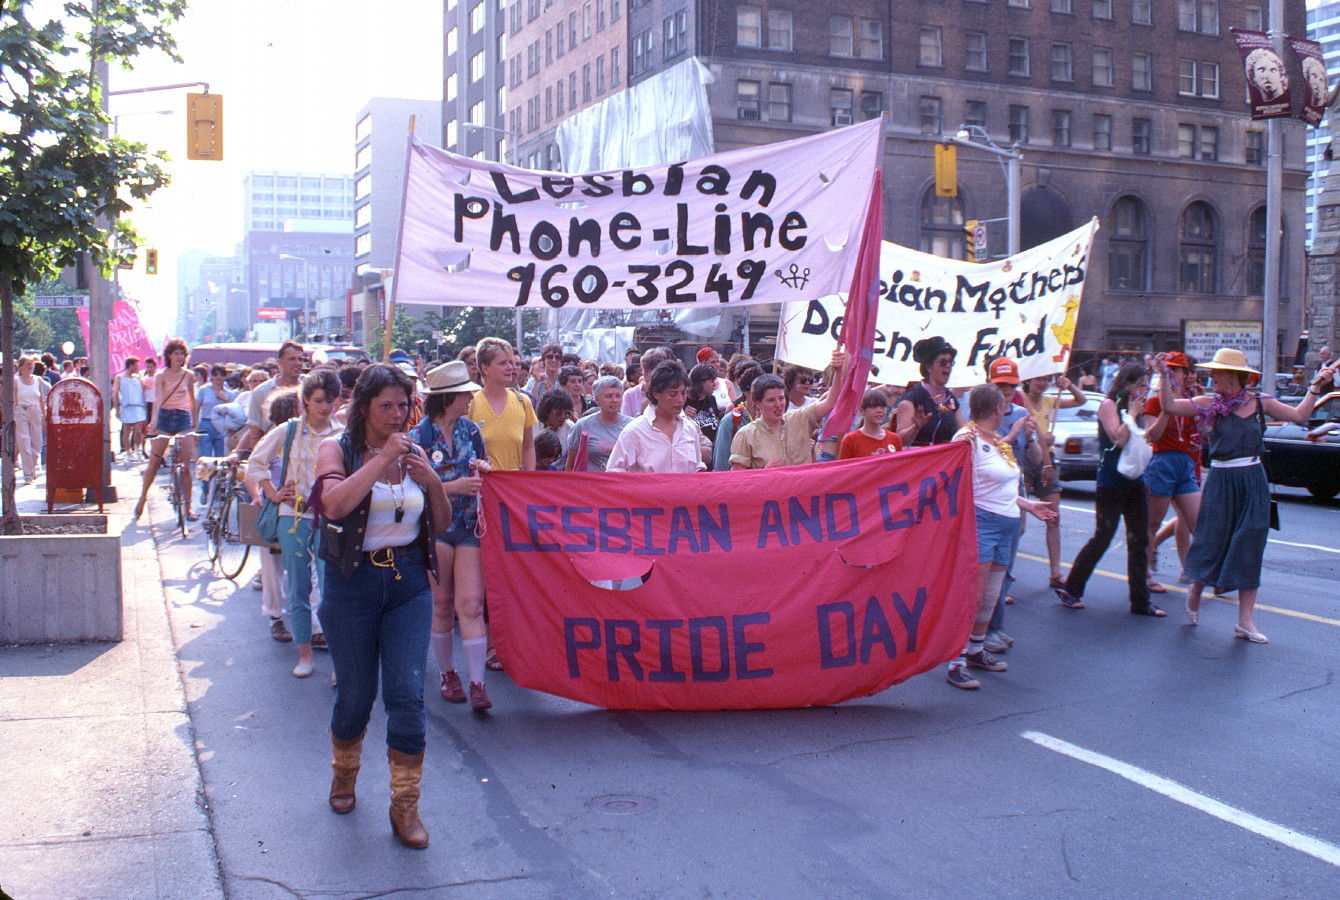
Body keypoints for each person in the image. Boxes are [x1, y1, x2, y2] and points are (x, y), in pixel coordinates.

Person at [312, 363, 450, 849]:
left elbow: (441, 521)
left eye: (403, 406)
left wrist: (432, 481)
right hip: (352, 584)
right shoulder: (337, 448)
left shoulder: (414, 451)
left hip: (408, 583)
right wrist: (381, 459)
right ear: (365, 409)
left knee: (407, 695)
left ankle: (405, 805)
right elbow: (333, 505)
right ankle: (344, 774)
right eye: (385, 406)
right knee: (355, 696)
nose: (396, 416)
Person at [1158, 349, 1336, 642]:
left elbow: (1300, 415)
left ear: (1233, 376)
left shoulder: (1260, 402)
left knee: (1250, 543)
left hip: (1253, 479)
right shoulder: (1208, 403)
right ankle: (1196, 589)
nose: (1211, 376)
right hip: (1220, 480)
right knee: (1211, 539)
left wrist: (1315, 388)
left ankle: (1245, 622)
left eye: (1216, 372)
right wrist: (1162, 375)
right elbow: (1168, 405)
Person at [946, 385, 1057, 690]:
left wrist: (1029, 505)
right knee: (976, 595)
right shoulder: (966, 439)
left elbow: (1004, 488)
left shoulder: (997, 441)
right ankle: (955, 661)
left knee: (992, 595)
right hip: (982, 524)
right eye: (1004, 404)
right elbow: (956, 482)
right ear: (996, 409)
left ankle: (976, 650)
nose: (1008, 407)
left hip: (1006, 524)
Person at [247, 370, 341, 678]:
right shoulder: (289, 431)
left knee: (332, 590)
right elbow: (256, 462)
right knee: (299, 587)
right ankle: (304, 653)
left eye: (330, 400)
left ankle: (340, 663)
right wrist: (273, 493)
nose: (324, 407)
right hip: (294, 517)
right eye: (318, 400)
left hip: (331, 518)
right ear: (305, 401)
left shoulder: (341, 432)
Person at [410, 361, 493, 711]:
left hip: (470, 525)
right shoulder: (419, 438)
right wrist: (454, 486)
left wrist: (483, 471)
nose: (470, 400)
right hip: (436, 527)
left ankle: (477, 683)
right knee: (442, 605)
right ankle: (448, 674)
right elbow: (412, 489)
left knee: (471, 604)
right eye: (464, 395)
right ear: (448, 398)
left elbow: (484, 466)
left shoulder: (471, 431)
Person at [1054, 362, 1165, 616]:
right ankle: (1072, 589)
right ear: (1127, 383)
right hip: (1111, 481)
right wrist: (1133, 415)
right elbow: (1118, 438)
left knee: (1139, 539)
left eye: (1146, 385)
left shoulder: (1139, 407)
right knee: (1103, 536)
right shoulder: (1109, 405)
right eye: (1140, 384)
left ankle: (1140, 601)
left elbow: (1149, 437)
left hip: (1135, 479)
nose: (1143, 389)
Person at [1140, 352, 1202, 593]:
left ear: (1185, 374)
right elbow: (1151, 436)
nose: (1173, 375)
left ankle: (1200, 571)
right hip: (1162, 462)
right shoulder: (1155, 402)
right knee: (1152, 523)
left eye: (1176, 371)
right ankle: (1144, 573)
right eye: (1168, 371)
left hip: (1185, 462)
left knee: (1198, 523)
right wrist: (1168, 408)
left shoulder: (1190, 400)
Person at [1019, 373, 1087, 587]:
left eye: (1046, 380)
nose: (1042, 383)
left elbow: (1080, 400)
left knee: (1053, 517)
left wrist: (1069, 385)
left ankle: (1056, 573)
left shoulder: (1049, 399)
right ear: (1028, 380)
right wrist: (1042, 440)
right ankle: (1005, 572)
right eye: (1037, 379)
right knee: (1017, 522)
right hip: (1026, 458)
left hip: (1047, 459)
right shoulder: (1020, 398)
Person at [729, 351, 846, 469]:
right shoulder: (745, 435)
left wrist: (838, 371)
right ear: (757, 403)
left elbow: (831, 402)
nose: (778, 405)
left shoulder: (800, 418)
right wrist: (765, 472)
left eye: (781, 398)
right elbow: (740, 480)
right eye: (771, 400)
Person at [134, 339, 199, 522]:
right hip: (164, 417)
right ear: (169, 355)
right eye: (176, 353)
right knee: (154, 462)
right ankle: (142, 498)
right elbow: (158, 399)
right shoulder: (161, 375)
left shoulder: (189, 375)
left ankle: (188, 506)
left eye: (182, 354)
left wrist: (194, 424)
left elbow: (192, 401)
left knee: (186, 466)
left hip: (183, 418)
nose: (179, 357)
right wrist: (154, 421)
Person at [607, 361, 711, 473]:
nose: (680, 400)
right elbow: (615, 473)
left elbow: (697, 468)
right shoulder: (635, 431)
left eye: (683, 393)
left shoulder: (690, 428)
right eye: (673, 394)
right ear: (656, 394)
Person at [468, 337, 536, 472]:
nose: (510, 367)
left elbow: (528, 447)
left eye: (511, 362)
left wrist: (529, 480)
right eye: (503, 363)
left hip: (514, 486)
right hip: (482, 487)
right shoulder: (470, 404)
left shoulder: (523, 401)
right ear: (485, 368)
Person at [235, 340, 305, 455]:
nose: (297, 363)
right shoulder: (261, 392)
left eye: (300, 359)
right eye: (292, 359)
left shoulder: (309, 389)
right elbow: (255, 432)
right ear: (280, 363)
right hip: (272, 457)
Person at [895, 337, 960, 446]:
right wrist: (915, 427)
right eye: (943, 362)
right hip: (917, 460)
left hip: (945, 460)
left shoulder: (951, 399)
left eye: (950, 362)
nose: (948, 366)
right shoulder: (913, 396)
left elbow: (961, 431)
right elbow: (899, 440)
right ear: (929, 367)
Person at [565, 376, 631, 471]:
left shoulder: (632, 426)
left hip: (622, 483)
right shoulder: (582, 425)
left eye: (618, 396)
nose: (614, 400)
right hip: (591, 483)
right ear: (597, 399)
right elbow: (570, 464)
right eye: (608, 396)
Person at [838, 389, 904, 458]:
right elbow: (844, 467)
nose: (879, 411)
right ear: (862, 410)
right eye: (874, 407)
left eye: (883, 407)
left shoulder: (895, 439)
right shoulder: (850, 439)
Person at [13, 356, 46, 484]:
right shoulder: (16, 381)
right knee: (24, 443)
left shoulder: (38, 380)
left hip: (36, 411)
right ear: (21, 367)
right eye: (27, 364)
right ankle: (28, 475)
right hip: (21, 411)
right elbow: (13, 399)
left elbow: (41, 399)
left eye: (31, 364)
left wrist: (44, 416)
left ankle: (31, 469)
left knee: (37, 444)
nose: (30, 366)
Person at [112, 356, 148, 460]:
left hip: (138, 407)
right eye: (136, 365)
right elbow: (115, 393)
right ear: (130, 365)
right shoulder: (119, 377)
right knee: (126, 432)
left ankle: (136, 450)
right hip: (126, 407)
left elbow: (142, 392)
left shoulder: (138, 378)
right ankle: (128, 452)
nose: (138, 367)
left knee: (138, 431)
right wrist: (117, 409)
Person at [621, 347, 670, 417]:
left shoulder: (671, 394)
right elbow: (626, 426)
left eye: (655, 370)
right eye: (646, 370)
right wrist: (642, 414)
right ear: (642, 371)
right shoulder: (629, 395)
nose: (651, 374)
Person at [684, 363, 723, 446]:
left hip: (712, 449)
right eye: (711, 381)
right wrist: (684, 417)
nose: (715, 384)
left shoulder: (711, 399)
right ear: (700, 382)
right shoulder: (684, 402)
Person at [141, 356, 157, 424]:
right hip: (149, 403)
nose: (149, 369)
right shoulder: (143, 379)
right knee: (150, 421)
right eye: (147, 367)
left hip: (158, 402)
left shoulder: (159, 377)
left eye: (151, 367)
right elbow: (142, 393)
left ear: (155, 367)